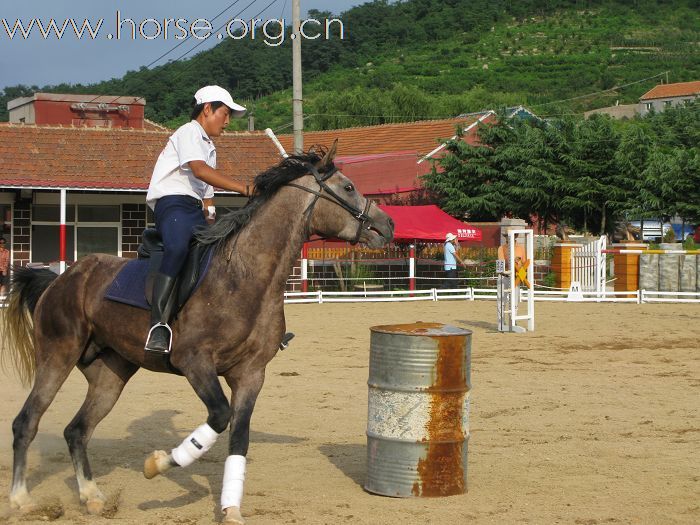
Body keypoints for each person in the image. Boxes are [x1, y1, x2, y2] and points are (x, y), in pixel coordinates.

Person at [144, 85, 249, 353]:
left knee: (224, 253)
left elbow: (207, 192)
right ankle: (158, 324)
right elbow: (200, 172)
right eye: (224, 114)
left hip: (194, 208)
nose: (227, 122)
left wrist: (211, 217)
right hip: (171, 203)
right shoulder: (189, 131)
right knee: (178, 247)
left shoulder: (209, 146)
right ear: (207, 109)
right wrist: (245, 189)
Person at [496, 230, 527, 332]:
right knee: (502, 299)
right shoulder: (502, 248)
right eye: (506, 236)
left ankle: (513, 320)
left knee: (515, 300)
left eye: (509, 236)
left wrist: (520, 270)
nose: (508, 238)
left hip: (516, 276)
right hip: (504, 276)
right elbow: (501, 263)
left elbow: (524, 263)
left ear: (515, 237)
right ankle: (501, 321)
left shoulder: (520, 248)